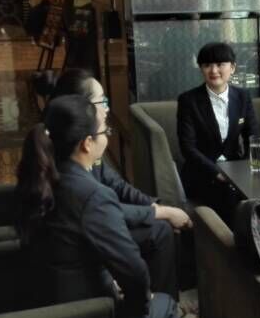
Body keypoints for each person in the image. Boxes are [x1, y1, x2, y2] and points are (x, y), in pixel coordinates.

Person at [15, 95, 187, 318]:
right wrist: (138, 303)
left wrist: (109, 283)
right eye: (105, 130)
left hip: (46, 308)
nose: (108, 135)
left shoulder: (44, 177)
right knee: (166, 308)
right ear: (86, 143)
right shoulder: (91, 195)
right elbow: (134, 270)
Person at [43, 68, 187, 302]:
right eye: (102, 101)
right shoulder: (69, 153)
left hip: (91, 225)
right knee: (159, 230)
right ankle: (160, 307)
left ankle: (164, 303)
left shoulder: (82, 145)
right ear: (80, 106)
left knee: (161, 228)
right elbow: (99, 206)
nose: (107, 108)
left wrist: (155, 205)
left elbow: (117, 185)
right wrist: (160, 212)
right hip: (84, 241)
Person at [176, 42, 258, 208]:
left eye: (220, 64)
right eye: (207, 65)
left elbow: (254, 137)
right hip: (202, 173)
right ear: (201, 68)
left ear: (232, 68)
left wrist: (243, 168)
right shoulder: (188, 100)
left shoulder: (243, 96)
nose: (213, 71)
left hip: (236, 171)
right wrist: (216, 172)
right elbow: (187, 147)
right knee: (229, 198)